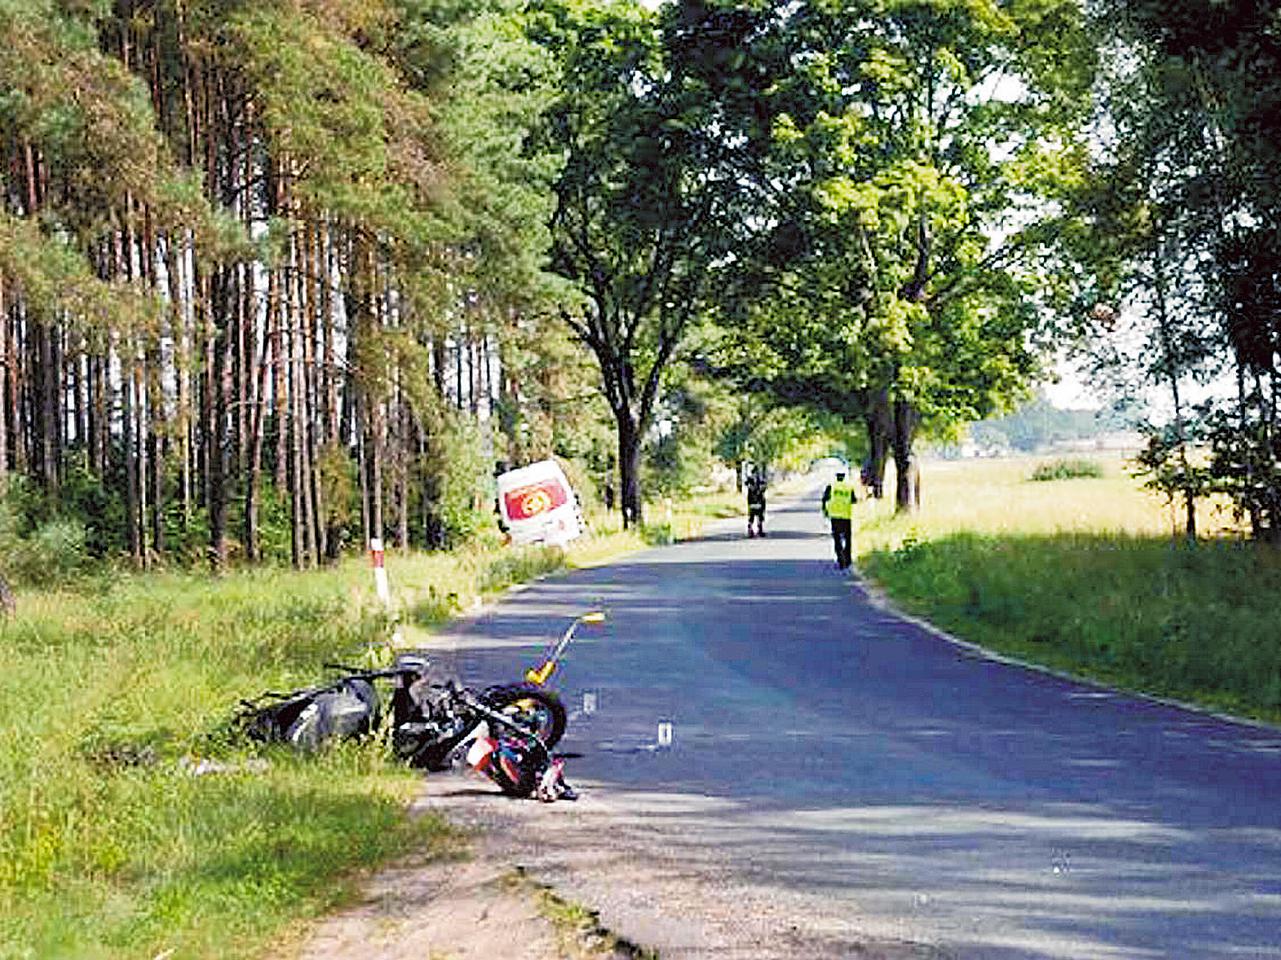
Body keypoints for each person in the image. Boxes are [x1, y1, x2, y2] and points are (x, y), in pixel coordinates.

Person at [821, 469, 855, 569]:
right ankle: (847, 559)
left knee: (837, 539)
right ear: (844, 477)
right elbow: (854, 500)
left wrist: (825, 511)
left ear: (836, 476)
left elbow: (824, 499)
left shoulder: (831, 486)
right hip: (846, 516)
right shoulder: (849, 487)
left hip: (835, 516)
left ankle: (840, 559)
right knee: (848, 539)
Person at [745, 469, 767, 537]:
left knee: (753, 514)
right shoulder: (759, 479)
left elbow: (746, 484)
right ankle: (757, 529)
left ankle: (752, 529)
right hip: (757, 499)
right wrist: (760, 491)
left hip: (753, 499)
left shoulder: (750, 480)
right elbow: (764, 487)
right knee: (758, 514)